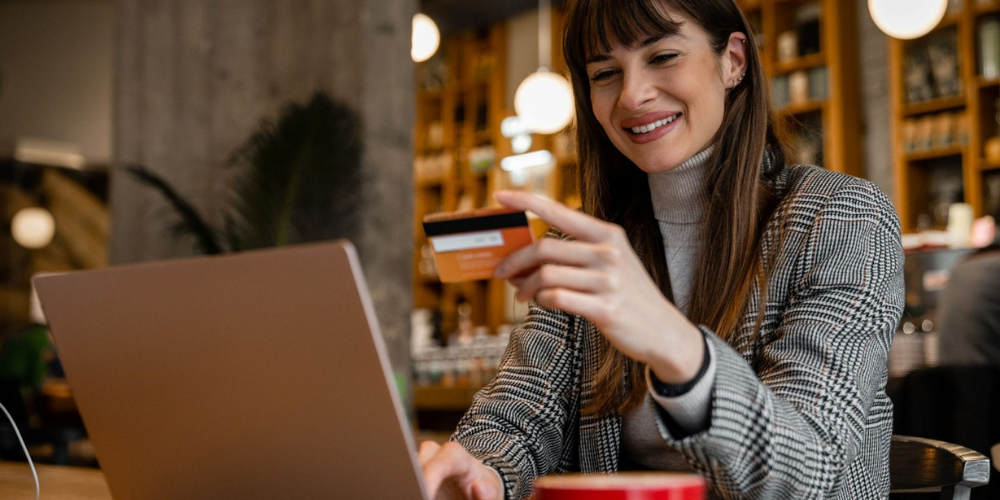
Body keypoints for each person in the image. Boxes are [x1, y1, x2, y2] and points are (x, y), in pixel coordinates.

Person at [418, 0, 905, 498]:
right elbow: (521, 412)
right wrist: (482, 469)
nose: (632, 94)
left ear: (733, 61)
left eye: (663, 56)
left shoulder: (841, 217)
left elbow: (810, 470)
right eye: (605, 72)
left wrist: (676, 346)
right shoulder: (587, 243)